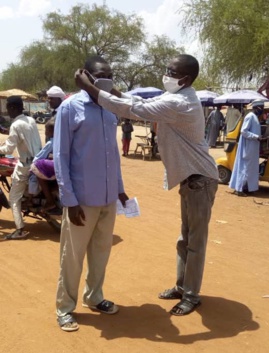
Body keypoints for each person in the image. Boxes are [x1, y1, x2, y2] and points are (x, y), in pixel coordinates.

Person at [74, 53, 219, 316]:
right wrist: (111, 88)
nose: (166, 74)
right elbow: (139, 100)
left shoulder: (180, 102)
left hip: (200, 179)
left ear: (185, 79)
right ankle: (181, 286)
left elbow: (133, 110)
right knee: (184, 239)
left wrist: (91, 89)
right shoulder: (175, 97)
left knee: (195, 241)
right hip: (192, 180)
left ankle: (191, 295)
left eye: (171, 72)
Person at [54, 55, 128, 332]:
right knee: (72, 257)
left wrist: (119, 189)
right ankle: (65, 307)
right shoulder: (70, 107)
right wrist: (69, 200)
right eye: (99, 74)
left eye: (109, 73)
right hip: (82, 200)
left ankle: (94, 297)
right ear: (85, 74)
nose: (105, 77)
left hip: (108, 197)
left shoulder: (110, 109)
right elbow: (60, 156)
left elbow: (113, 155)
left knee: (101, 252)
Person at [0, 96, 42, 239]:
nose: (7, 111)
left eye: (8, 108)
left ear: (13, 108)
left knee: (13, 198)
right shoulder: (30, 120)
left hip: (25, 164)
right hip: (37, 160)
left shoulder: (16, 124)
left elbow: (9, 148)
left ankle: (19, 229)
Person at [229, 100, 265, 196]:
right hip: (248, 147)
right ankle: (239, 189)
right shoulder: (250, 116)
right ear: (257, 108)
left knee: (251, 168)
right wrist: (256, 137)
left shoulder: (255, 117)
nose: (262, 109)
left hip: (253, 146)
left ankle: (247, 188)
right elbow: (243, 131)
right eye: (261, 107)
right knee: (246, 167)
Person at [29, 118, 59, 212]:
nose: (45, 132)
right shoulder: (61, 140)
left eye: (47, 130)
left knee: (35, 168)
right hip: (62, 167)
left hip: (56, 168)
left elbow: (38, 158)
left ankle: (32, 198)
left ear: (51, 131)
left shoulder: (51, 142)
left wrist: (33, 162)